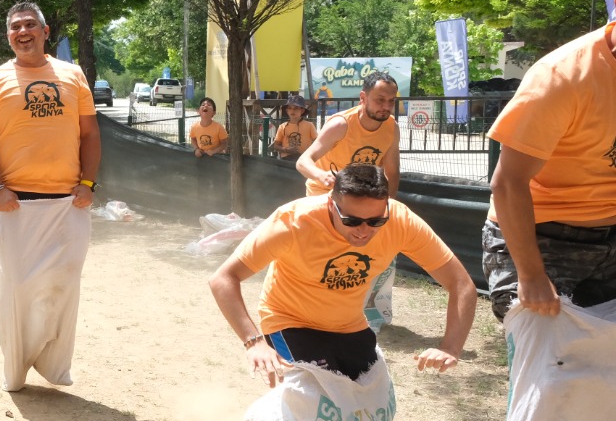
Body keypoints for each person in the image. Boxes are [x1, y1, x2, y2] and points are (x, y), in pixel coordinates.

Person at [209, 164, 474, 385]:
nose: (363, 230)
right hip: (290, 322)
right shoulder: (293, 222)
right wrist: (254, 343)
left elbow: (460, 283)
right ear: (331, 203)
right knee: (310, 407)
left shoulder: (401, 221)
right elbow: (223, 278)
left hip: (349, 325)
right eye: (352, 220)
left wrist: (450, 348)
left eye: (375, 221)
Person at [0, 2, 101, 392]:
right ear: (8, 36)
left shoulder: (72, 75)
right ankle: (16, 368)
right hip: (16, 206)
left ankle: (55, 365)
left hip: (68, 204)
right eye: (14, 27)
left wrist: (88, 184)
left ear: (45, 31)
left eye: (30, 25)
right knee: (18, 288)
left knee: (62, 285)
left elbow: (90, 134)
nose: (22, 31)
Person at [483, 20, 616, 320]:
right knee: (548, 361)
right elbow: (507, 182)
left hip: (610, 237)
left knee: (603, 363)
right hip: (542, 238)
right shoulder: (562, 76)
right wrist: (530, 275)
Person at [297, 72, 401, 196]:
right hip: (325, 193)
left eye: (392, 100)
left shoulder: (392, 127)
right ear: (363, 97)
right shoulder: (340, 125)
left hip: (360, 195)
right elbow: (303, 161)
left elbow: (392, 172)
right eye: (380, 99)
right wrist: (321, 176)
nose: (387, 106)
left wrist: (389, 204)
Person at [271, 94, 318, 159]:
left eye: (296, 108)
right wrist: (286, 150)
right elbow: (276, 146)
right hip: (286, 159)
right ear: (287, 111)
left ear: (302, 110)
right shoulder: (282, 127)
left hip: (304, 158)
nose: (292, 111)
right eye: (290, 108)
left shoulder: (309, 125)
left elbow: (317, 143)